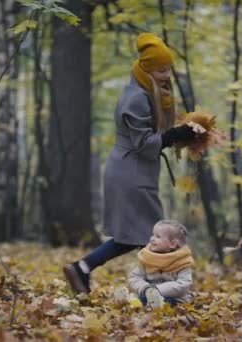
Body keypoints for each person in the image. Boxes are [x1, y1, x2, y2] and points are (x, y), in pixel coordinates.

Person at [63, 32, 198, 294]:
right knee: (159, 235)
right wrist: (175, 135)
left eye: (169, 68)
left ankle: (84, 267)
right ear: (147, 69)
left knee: (138, 236)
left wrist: (185, 133)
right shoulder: (136, 97)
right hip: (130, 173)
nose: (166, 74)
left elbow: (157, 135)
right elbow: (144, 143)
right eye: (161, 69)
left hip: (134, 171)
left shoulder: (147, 92)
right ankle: (165, 289)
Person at [128, 220, 194, 309]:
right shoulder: (147, 258)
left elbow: (184, 284)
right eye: (153, 234)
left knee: (169, 302)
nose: (152, 238)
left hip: (176, 298)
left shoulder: (182, 261)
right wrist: (146, 288)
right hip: (148, 293)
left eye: (158, 236)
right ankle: (133, 302)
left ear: (172, 244)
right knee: (145, 298)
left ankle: (143, 303)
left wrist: (157, 290)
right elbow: (135, 277)